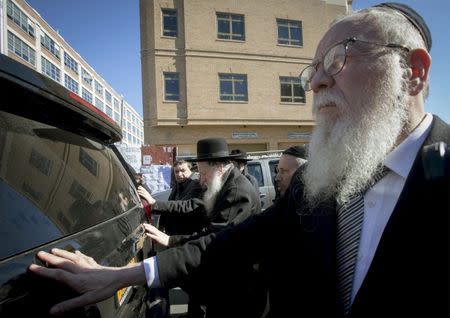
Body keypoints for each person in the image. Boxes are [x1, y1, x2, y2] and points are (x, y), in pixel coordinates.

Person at [29, 3, 449, 318]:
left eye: (340, 57)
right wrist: (123, 275)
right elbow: (231, 242)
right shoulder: (317, 182)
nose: (317, 82)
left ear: (413, 71)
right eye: (314, 69)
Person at [138, 137, 265, 317]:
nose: (201, 181)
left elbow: (215, 238)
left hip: (236, 288)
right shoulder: (226, 183)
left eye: (204, 174)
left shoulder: (236, 191)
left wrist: (171, 241)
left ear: (219, 168)